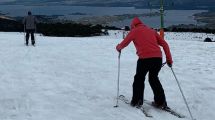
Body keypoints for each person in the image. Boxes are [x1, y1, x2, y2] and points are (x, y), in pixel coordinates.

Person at [116, 17, 173, 108]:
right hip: (157, 59)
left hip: (144, 59)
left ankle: (137, 101)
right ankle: (161, 102)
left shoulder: (134, 31)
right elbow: (165, 44)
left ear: (133, 25)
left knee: (139, 78)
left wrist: (118, 47)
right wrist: (169, 60)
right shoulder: (152, 31)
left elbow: (124, 43)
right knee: (153, 79)